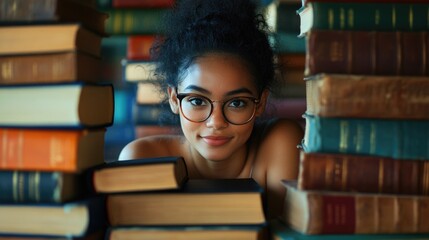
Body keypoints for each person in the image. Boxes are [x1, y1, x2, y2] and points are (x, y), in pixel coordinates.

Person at [119, 0, 304, 219]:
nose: (216, 122)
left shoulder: (280, 143)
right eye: (197, 101)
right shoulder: (142, 159)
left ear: (261, 102)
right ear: (174, 100)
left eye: (236, 103)